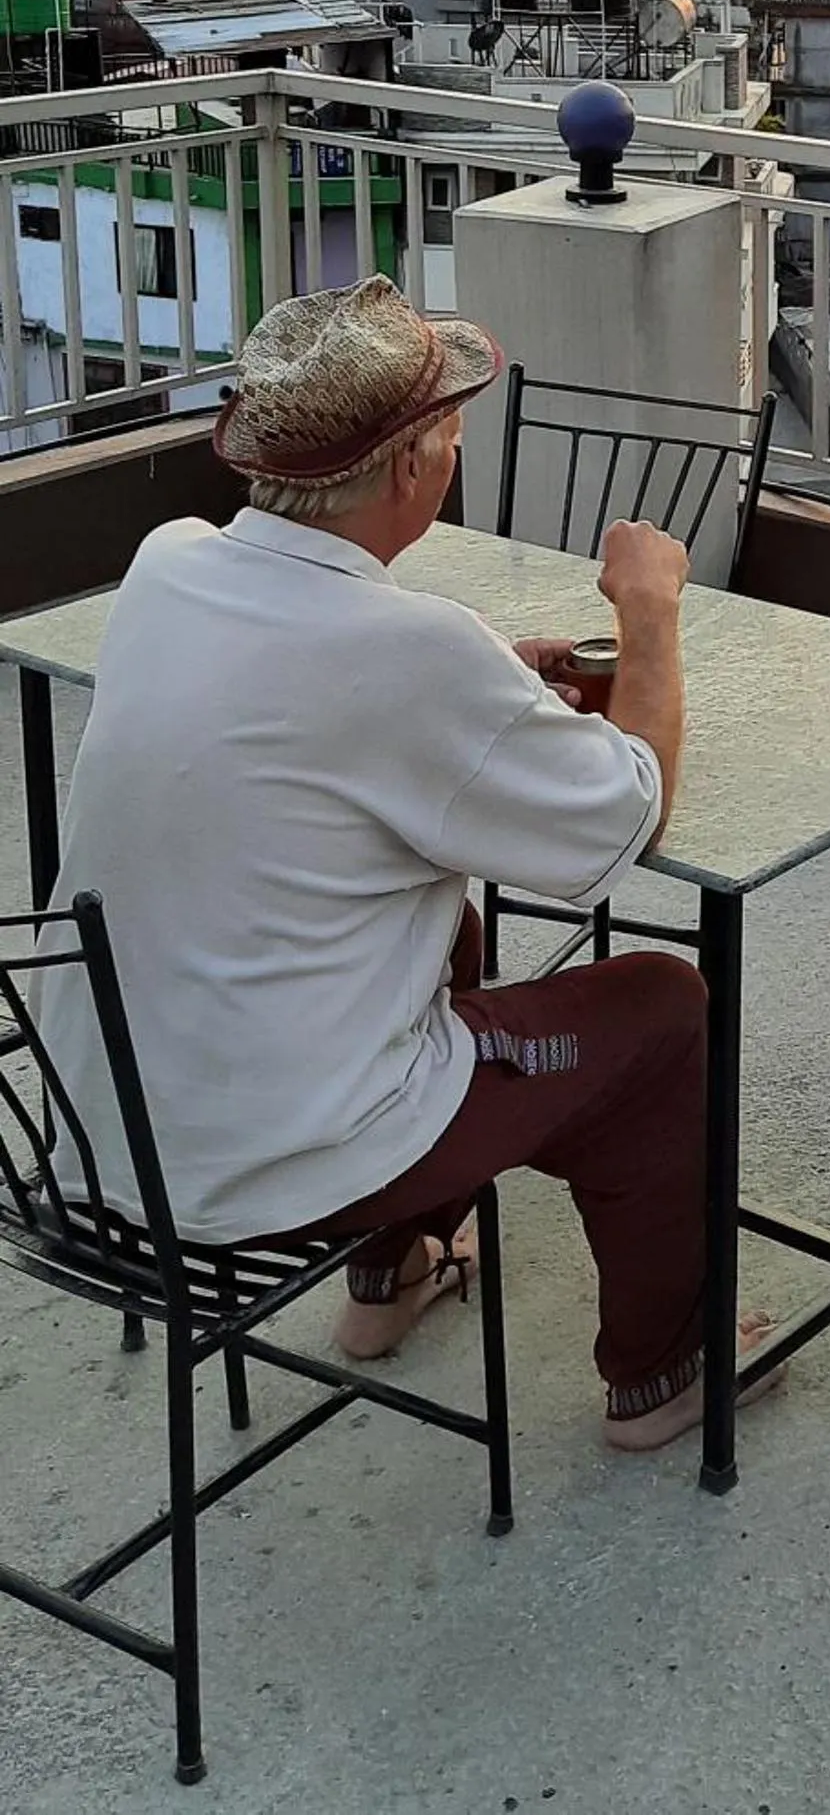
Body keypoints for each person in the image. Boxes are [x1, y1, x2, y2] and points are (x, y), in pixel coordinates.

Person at [37, 276, 776, 1454]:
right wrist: (650, 612)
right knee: (662, 1008)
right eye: (449, 434)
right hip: (263, 1166)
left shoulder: (169, 560)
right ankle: (664, 1372)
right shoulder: (411, 651)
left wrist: (488, 690)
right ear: (412, 469)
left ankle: (392, 1278)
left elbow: (325, 733)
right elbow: (624, 814)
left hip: (107, 1130)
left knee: (443, 921)